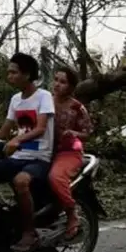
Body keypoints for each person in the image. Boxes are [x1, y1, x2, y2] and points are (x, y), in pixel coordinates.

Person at [0, 52, 55, 252]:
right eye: (8, 72)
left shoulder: (44, 96)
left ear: (27, 74)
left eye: (13, 72)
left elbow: (40, 129)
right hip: (18, 157)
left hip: (39, 158)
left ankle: (29, 232)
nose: (9, 76)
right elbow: (3, 131)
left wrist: (17, 140)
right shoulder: (15, 99)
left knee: (21, 182)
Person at [49, 65, 93, 239]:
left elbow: (87, 133)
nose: (57, 85)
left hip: (68, 153)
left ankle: (71, 214)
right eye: (56, 80)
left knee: (56, 177)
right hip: (44, 150)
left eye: (63, 82)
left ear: (71, 87)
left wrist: (74, 133)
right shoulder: (45, 101)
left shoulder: (77, 108)